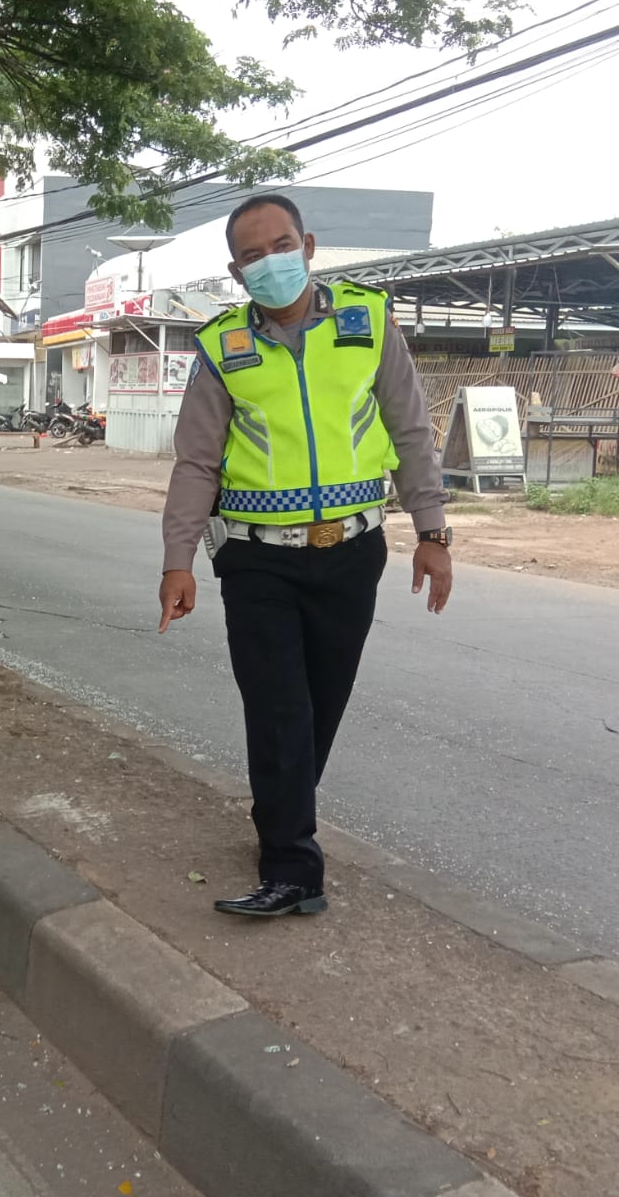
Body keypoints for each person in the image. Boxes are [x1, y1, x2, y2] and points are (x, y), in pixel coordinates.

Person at [158, 194, 452, 917]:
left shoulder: (367, 322)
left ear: (308, 244)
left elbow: (411, 431)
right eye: (252, 255)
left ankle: (280, 819)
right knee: (279, 709)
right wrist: (178, 560)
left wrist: (433, 532)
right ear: (236, 268)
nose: (270, 262)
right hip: (257, 562)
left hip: (352, 554)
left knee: (321, 707)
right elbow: (196, 463)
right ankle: (293, 868)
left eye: (280, 245)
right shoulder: (224, 348)